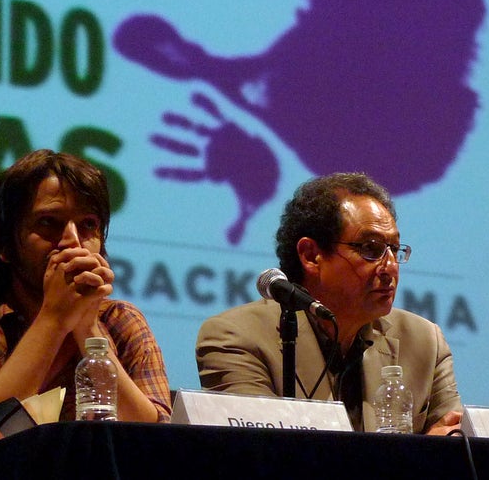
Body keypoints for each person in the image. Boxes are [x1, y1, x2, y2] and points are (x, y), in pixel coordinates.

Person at [0, 150, 172, 471]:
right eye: (48, 223)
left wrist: (87, 328)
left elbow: (153, 447)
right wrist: (54, 320)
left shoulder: (122, 321)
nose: (73, 242)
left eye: (88, 225)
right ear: (3, 244)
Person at [196, 172, 462, 434]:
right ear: (311, 256)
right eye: (371, 248)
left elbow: (461, 445)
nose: (391, 267)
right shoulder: (236, 338)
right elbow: (258, 453)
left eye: (394, 249)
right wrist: (422, 451)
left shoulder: (425, 342)